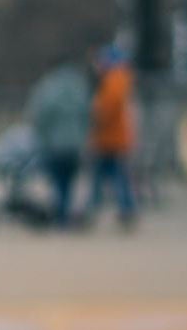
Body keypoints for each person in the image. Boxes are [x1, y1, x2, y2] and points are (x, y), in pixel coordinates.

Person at [25, 54, 91, 228]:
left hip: (54, 143)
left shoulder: (48, 87)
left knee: (57, 181)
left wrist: (41, 137)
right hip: (75, 142)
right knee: (69, 182)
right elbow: (88, 114)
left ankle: (60, 216)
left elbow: (40, 115)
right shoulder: (79, 87)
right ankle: (65, 213)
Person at [83, 46, 139, 230]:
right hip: (113, 138)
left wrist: (96, 118)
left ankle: (99, 210)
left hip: (111, 138)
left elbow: (108, 107)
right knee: (115, 177)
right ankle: (123, 209)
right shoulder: (119, 78)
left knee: (109, 177)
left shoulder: (115, 79)